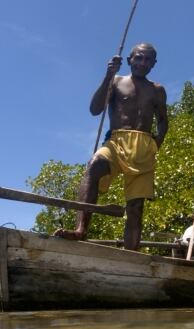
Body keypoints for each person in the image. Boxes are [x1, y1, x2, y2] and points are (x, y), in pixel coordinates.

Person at [55, 43, 169, 250]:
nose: (143, 63)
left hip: (144, 146)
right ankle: (81, 229)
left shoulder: (157, 90)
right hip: (117, 141)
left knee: (135, 206)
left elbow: (163, 120)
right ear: (129, 60)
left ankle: (131, 253)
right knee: (94, 165)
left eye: (148, 59)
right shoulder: (116, 81)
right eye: (139, 58)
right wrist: (108, 76)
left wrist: (156, 144)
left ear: (154, 64)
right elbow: (94, 109)